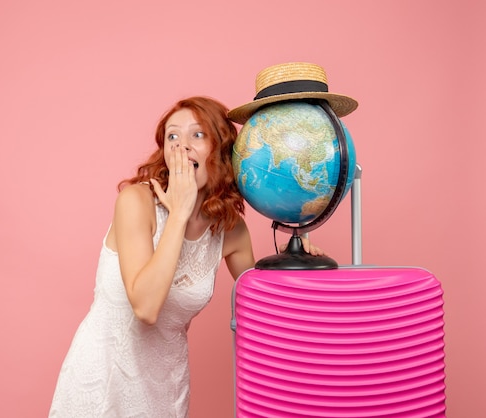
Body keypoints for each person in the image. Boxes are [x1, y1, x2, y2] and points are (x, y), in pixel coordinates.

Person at [48, 96, 323, 417]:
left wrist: (301, 263)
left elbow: (267, 305)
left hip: (166, 386)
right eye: (173, 136)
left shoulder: (230, 230)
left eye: (197, 134)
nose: (182, 146)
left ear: (220, 150)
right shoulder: (136, 202)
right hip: (102, 381)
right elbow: (146, 308)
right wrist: (178, 213)